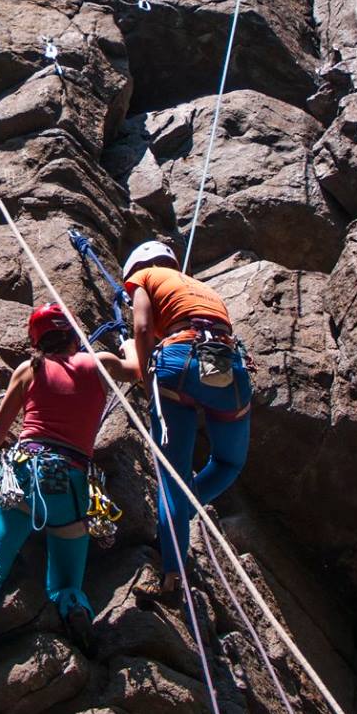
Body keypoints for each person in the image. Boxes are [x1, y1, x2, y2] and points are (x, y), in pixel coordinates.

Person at [0, 303, 143, 673]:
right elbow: (138, 371)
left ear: (37, 341)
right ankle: (73, 607)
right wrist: (128, 344)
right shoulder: (100, 364)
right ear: (74, 335)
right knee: (64, 579)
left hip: (25, 474)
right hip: (74, 483)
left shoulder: (30, 370)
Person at [120, 241, 250, 602]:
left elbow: (144, 329)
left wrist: (148, 380)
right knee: (228, 462)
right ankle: (178, 514)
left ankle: (171, 571)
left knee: (172, 478)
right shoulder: (203, 289)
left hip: (176, 361)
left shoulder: (143, 278)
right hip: (221, 360)